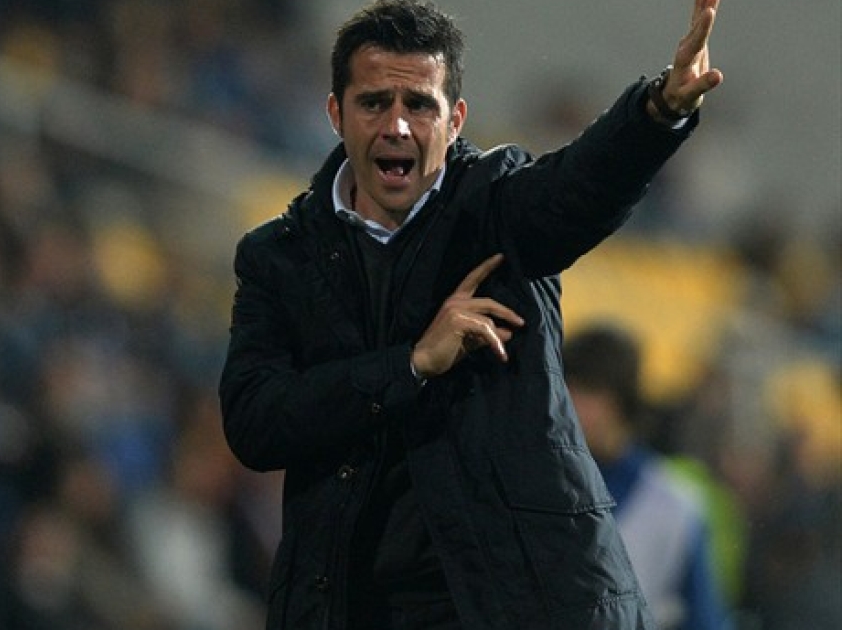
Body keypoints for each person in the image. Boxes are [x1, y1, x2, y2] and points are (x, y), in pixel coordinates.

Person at [218, 0, 723, 628]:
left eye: (419, 105)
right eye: (374, 102)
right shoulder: (278, 257)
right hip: (353, 605)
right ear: (335, 113)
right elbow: (255, 422)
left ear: (455, 119)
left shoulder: (497, 208)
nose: (397, 126)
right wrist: (411, 365)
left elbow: (579, 188)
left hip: (517, 606)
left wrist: (657, 112)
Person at [564, 324, 735, 630]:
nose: (570, 406)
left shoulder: (674, 504)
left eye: (587, 392)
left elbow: (704, 619)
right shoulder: (537, 481)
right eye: (567, 390)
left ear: (620, 400)